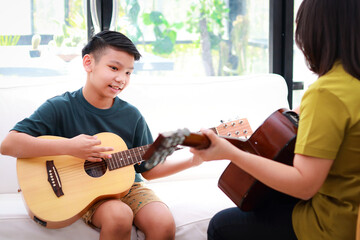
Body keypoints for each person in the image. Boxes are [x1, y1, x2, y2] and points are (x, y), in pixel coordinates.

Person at [0, 30, 202, 240]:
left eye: (128, 73)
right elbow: (9, 144)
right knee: (119, 216)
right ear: (88, 63)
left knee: (163, 223)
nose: (121, 78)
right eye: (114, 68)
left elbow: (148, 170)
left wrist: (194, 160)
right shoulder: (60, 107)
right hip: (84, 193)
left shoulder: (131, 115)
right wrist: (69, 147)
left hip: (130, 188)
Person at [190, 0, 360, 239]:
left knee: (222, 225)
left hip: (331, 226)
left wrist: (231, 153)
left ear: (316, 31)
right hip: (353, 212)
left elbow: (304, 184)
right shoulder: (349, 85)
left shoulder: (327, 92)